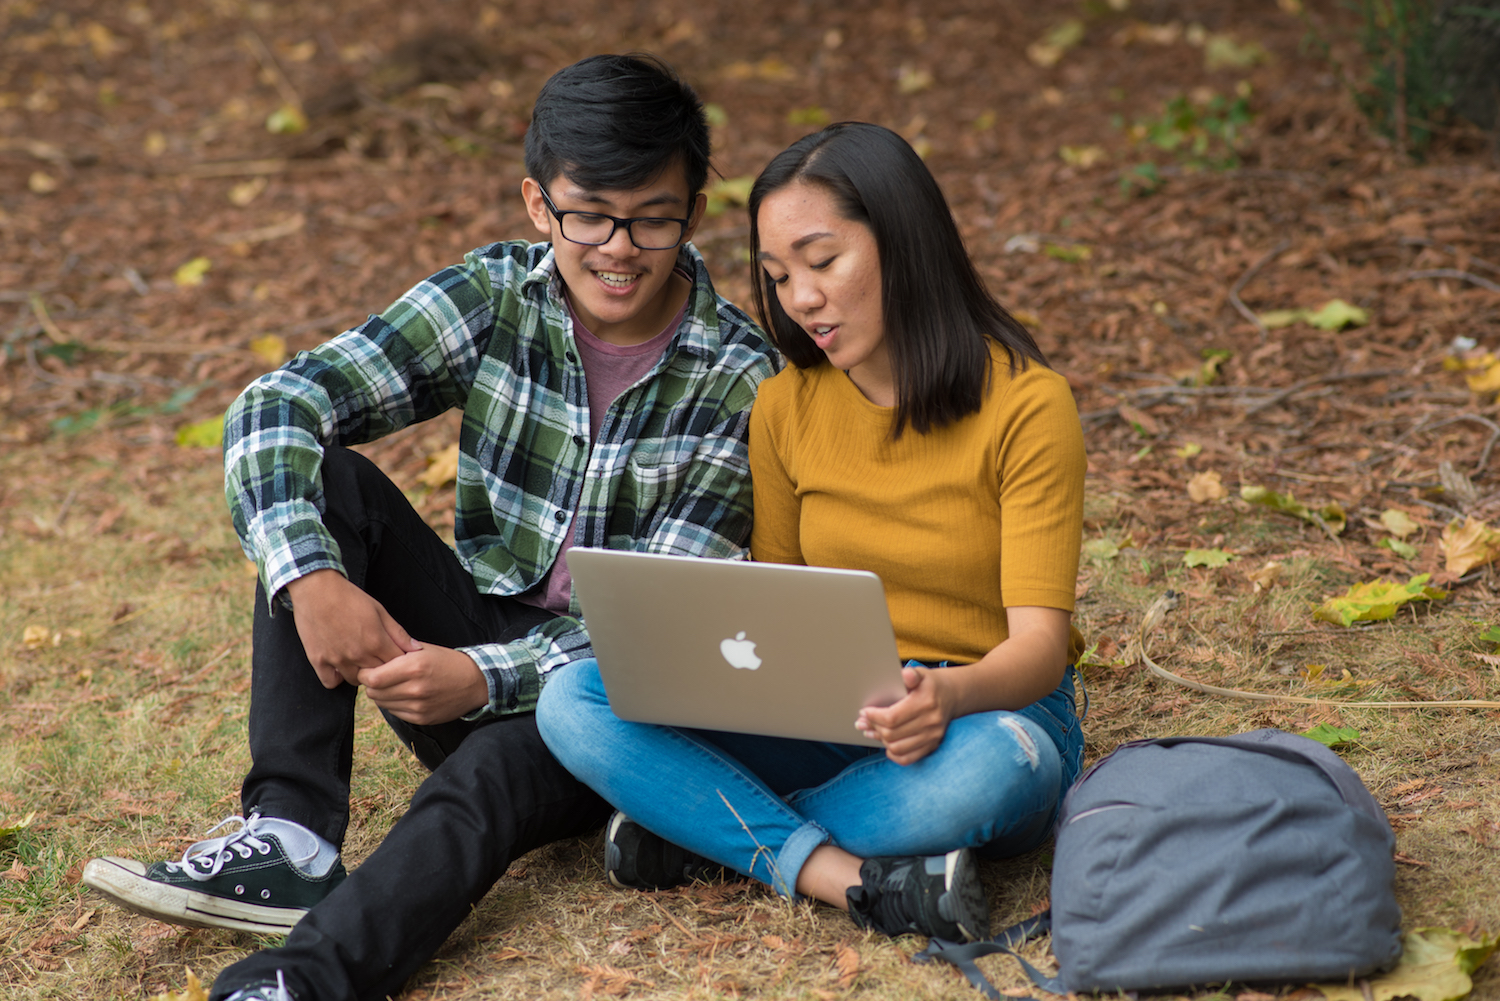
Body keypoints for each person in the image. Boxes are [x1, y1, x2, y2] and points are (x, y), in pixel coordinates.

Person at [81, 54, 778, 1001]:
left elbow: (663, 629)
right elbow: (280, 400)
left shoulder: (739, 378)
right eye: (589, 214)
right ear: (540, 204)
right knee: (327, 480)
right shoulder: (497, 297)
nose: (619, 246)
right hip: (470, 633)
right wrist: (309, 580)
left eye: (652, 215)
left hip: (614, 704)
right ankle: (289, 834)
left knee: (490, 769)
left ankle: (300, 983)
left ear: (694, 211)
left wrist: (477, 680)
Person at [536, 121, 1087, 943]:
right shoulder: (785, 406)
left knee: (995, 768)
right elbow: (779, 609)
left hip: (984, 711)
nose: (800, 298)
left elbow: (1041, 644)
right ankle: (845, 876)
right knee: (573, 697)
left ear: (903, 241)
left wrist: (947, 694)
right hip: (833, 713)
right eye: (779, 275)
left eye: (823, 263)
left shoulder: (1027, 405)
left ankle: (708, 836)